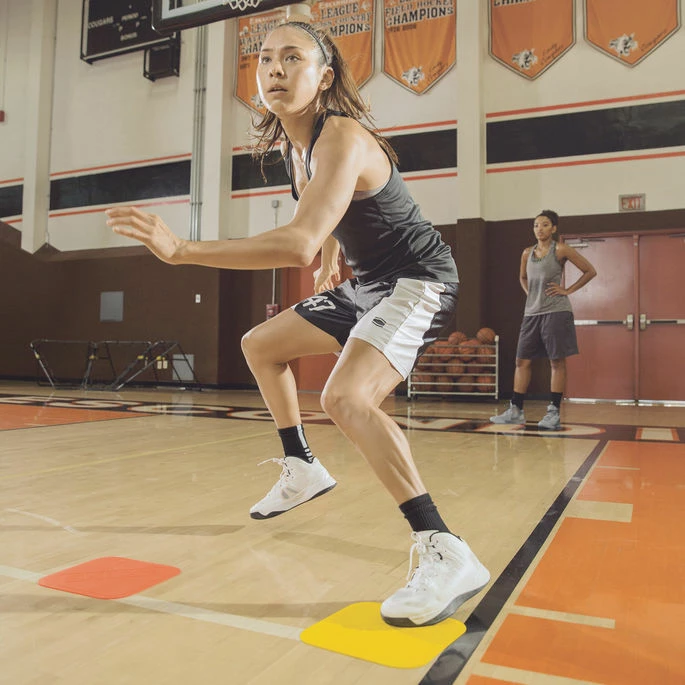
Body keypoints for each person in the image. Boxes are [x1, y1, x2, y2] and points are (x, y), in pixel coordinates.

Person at [106, 20, 489, 627]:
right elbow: (329, 215)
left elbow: (298, 241)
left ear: (325, 76)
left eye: (293, 58)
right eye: (265, 59)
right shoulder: (297, 146)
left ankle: (445, 549)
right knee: (261, 344)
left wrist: (182, 250)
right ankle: (303, 465)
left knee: (346, 398)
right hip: (369, 284)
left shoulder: (341, 135)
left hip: (419, 280)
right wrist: (335, 257)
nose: (275, 69)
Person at [491, 210, 597, 430]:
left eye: (545, 225)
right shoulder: (526, 253)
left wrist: (567, 290)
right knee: (521, 361)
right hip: (531, 314)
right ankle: (515, 410)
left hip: (556, 312)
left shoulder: (561, 250)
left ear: (554, 228)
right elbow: (522, 277)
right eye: (536, 225)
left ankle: (553, 413)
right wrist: (530, 293)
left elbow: (589, 271)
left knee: (556, 362)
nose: (540, 229)